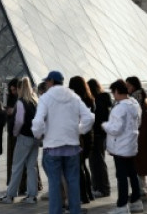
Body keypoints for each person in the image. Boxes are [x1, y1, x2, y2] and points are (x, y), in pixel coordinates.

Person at [32, 70, 95, 214]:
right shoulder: (74, 97)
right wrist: (79, 130)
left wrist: (39, 134)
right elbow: (89, 117)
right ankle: (75, 210)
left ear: (51, 82)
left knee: (54, 184)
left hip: (52, 147)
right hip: (72, 146)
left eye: (47, 81)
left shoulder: (46, 98)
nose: (46, 84)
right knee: (73, 182)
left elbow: (38, 122)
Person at [103, 79, 142, 214]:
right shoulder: (135, 104)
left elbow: (115, 129)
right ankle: (137, 201)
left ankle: (122, 205)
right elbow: (139, 122)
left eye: (113, 93)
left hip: (119, 146)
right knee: (132, 173)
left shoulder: (119, 108)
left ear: (118, 91)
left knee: (121, 176)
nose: (113, 96)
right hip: (131, 144)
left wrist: (104, 125)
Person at [0, 76, 40, 204]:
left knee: (16, 166)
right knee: (31, 166)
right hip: (35, 138)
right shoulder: (35, 100)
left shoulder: (20, 102)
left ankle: (10, 195)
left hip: (24, 137)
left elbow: (19, 121)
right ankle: (32, 195)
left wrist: (16, 133)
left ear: (19, 88)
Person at [126, 76, 147, 200]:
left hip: (138, 137)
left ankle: (141, 192)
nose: (127, 88)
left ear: (134, 86)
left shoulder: (134, 101)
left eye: (128, 85)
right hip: (143, 137)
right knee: (140, 166)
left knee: (137, 165)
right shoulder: (143, 98)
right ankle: (143, 190)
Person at [69, 76, 96, 206]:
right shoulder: (90, 99)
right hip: (89, 135)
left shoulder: (76, 101)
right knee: (82, 165)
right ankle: (88, 193)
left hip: (80, 136)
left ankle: (83, 195)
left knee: (78, 167)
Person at [88, 78, 112, 199]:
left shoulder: (96, 101)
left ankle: (100, 188)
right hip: (102, 134)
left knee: (96, 162)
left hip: (96, 134)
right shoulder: (105, 99)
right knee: (98, 161)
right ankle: (100, 187)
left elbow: (95, 118)